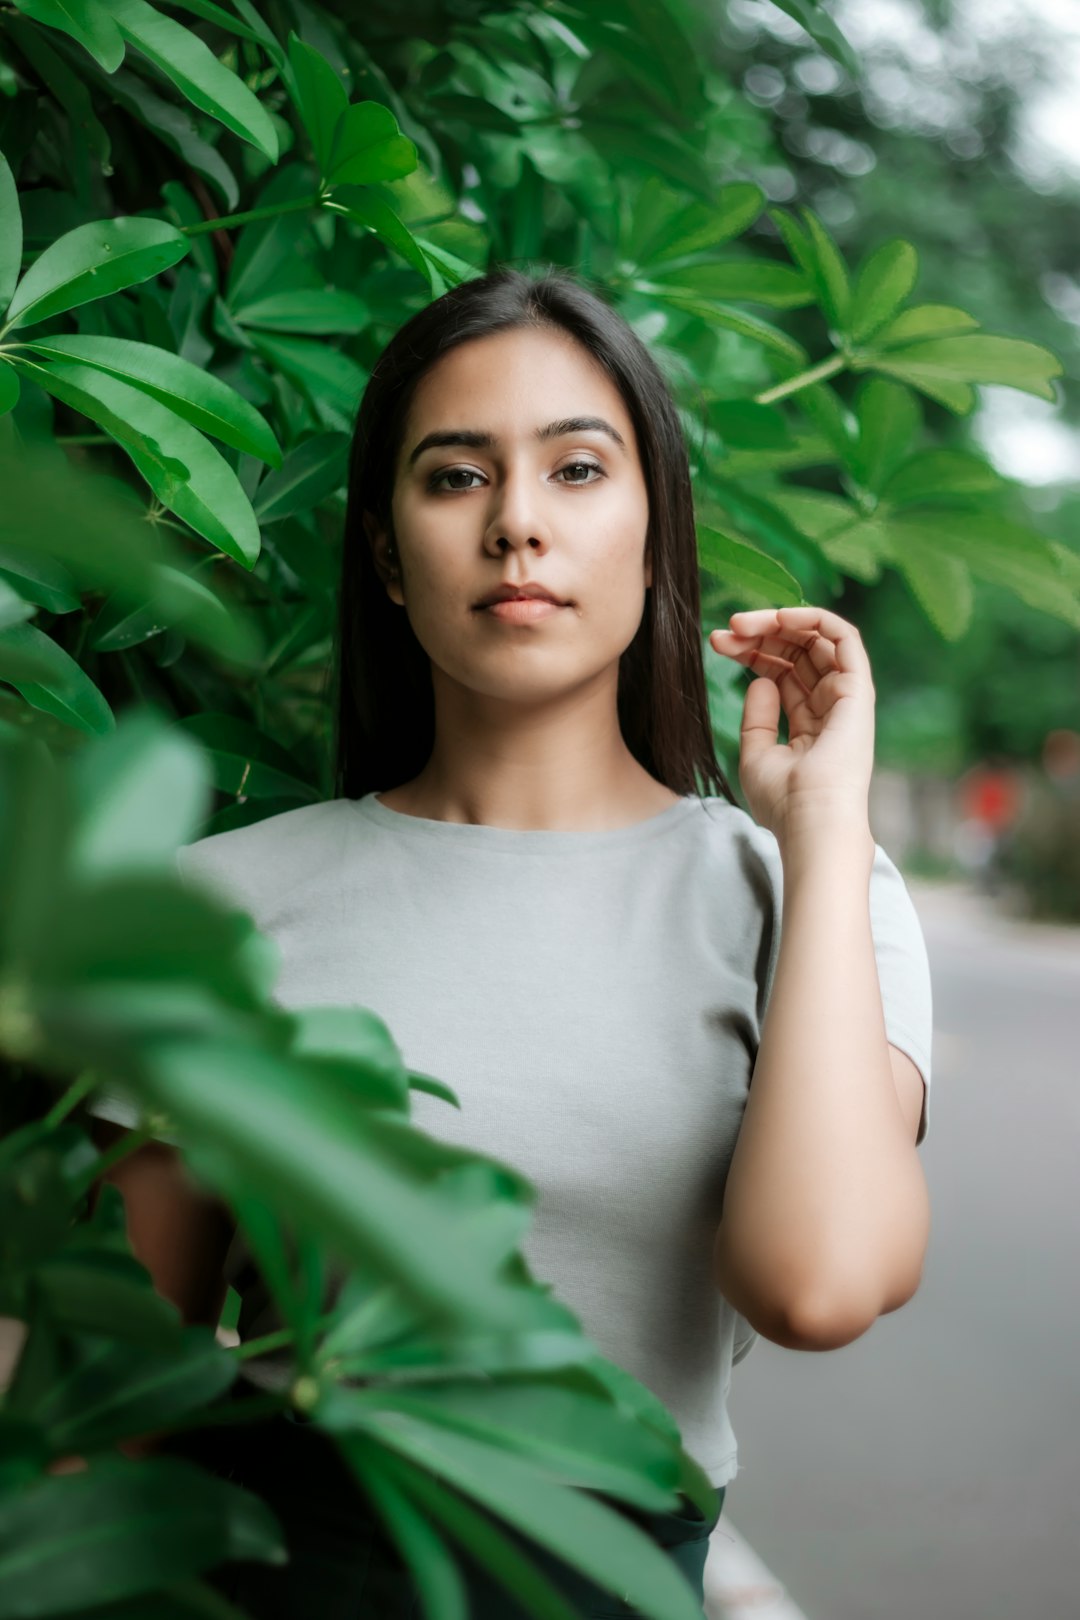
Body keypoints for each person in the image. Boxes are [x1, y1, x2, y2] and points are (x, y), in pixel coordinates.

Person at [88, 265, 934, 1617]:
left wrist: (820, 838)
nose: (520, 526)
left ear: (659, 530)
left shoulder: (803, 892)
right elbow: (113, 1398)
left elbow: (818, 1281)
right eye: (456, 478)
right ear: (383, 547)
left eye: (581, 471)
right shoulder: (213, 903)